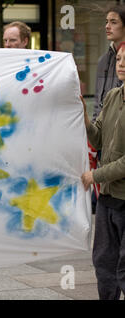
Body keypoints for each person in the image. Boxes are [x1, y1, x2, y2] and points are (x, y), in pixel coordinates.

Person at [81, 41, 125, 300]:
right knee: (104, 265)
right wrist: (85, 118)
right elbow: (97, 138)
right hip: (108, 199)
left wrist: (94, 176)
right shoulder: (111, 96)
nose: (122, 65)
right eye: (119, 59)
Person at [90, 5, 125, 214]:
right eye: (105, 22)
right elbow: (99, 99)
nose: (107, 26)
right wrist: (93, 126)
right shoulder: (104, 60)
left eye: (113, 22)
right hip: (104, 130)